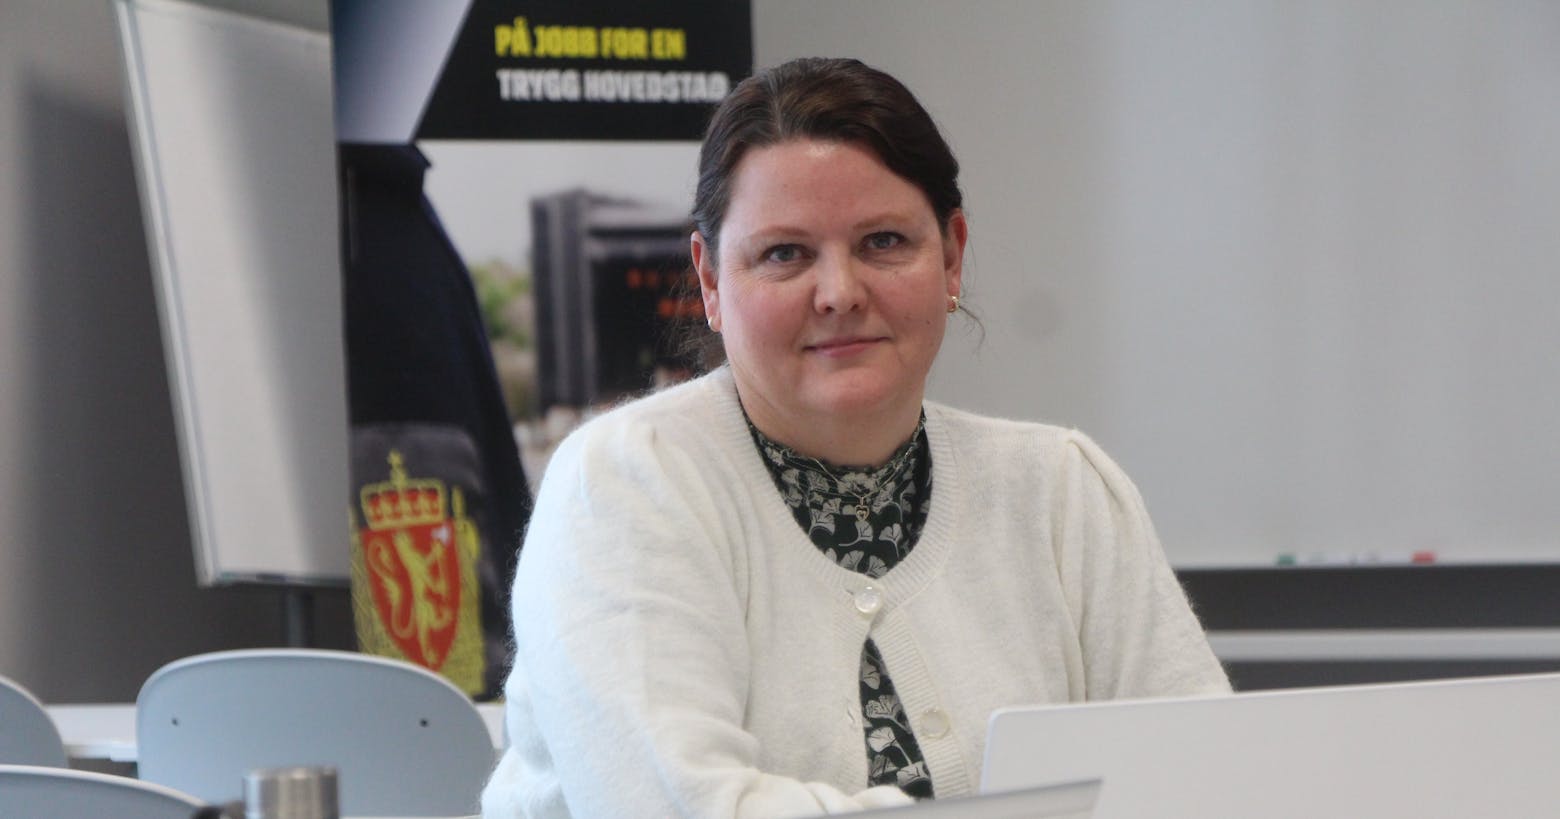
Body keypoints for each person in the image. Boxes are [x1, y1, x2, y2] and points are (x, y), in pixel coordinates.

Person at [481, 57, 1229, 819]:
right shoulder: (624, 483)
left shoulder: (1063, 492)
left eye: (883, 241)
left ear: (952, 256)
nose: (839, 293)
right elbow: (676, 806)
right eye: (784, 253)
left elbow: (1206, 779)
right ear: (709, 279)